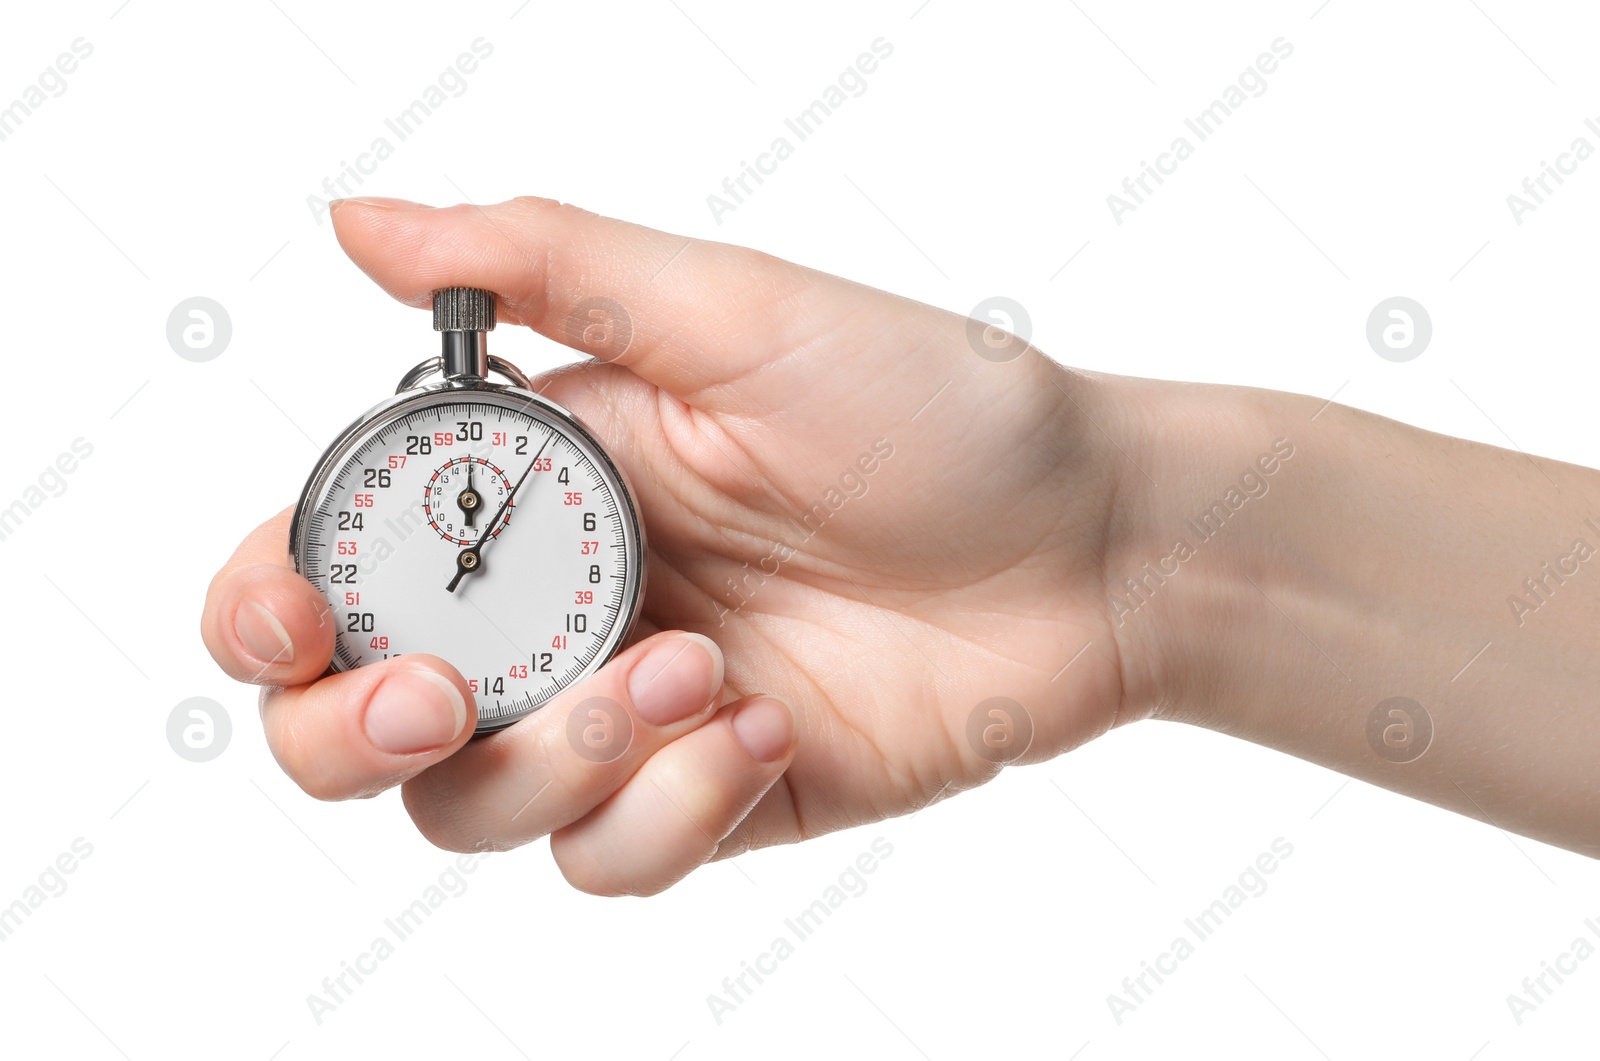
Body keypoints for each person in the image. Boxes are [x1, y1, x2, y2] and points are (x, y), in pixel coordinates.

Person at [201, 196, 1598, 895]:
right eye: (458, 528)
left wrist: (1128, 556)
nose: (466, 554)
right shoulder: (484, 483)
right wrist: (1116, 544)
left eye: (486, 526)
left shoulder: (537, 481)